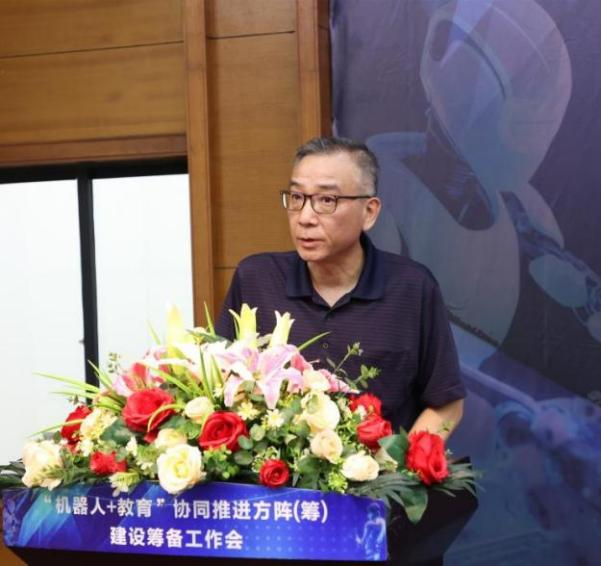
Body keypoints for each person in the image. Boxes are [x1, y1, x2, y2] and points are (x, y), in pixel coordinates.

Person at [215, 137, 465, 437]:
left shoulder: (412, 288)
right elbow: (218, 384)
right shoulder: (257, 279)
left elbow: (446, 403)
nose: (305, 218)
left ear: (369, 212)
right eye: (296, 197)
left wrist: (400, 463)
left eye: (326, 200)